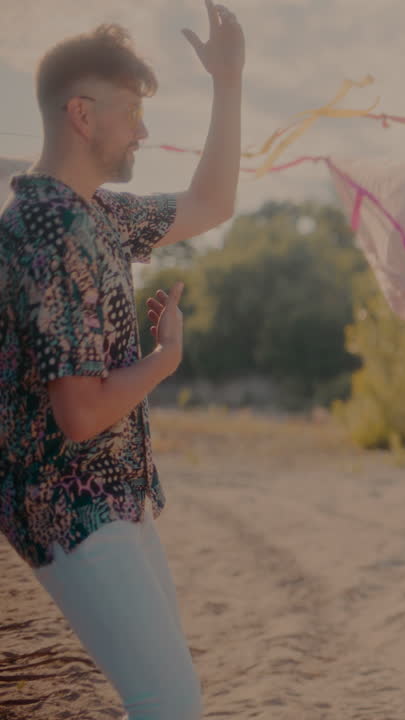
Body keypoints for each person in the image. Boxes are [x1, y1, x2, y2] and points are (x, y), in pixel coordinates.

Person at [0, 4, 244, 717]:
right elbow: (79, 415)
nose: (143, 129)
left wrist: (228, 82)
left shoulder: (96, 214)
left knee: (172, 699)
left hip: (114, 493)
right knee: (169, 702)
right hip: (67, 502)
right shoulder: (48, 227)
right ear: (81, 114)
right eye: (132, 110)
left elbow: (211, 202)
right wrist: (165, 359)